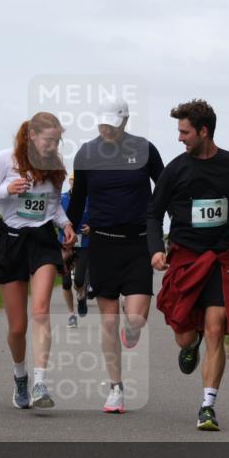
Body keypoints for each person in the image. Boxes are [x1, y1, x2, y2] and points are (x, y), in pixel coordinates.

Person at [147, 99, 229, 431]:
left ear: (203, 131)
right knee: (186, 336)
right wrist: (156, 250)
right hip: (185, 257)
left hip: (221, 258)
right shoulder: (176, 170)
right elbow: (153, 213)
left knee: (217, 327)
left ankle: (207, 406)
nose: (180, 138)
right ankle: (192, 343)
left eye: (184, 132)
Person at [67, 98, 163, 413]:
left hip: (138, 245)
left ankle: (131, 329)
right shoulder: (86, 154)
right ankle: (116, 389)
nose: (107, 127)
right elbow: (78, 199)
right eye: (103, 122)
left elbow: (163, 190)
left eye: (113, 122)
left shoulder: (144, 149)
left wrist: (164, 233)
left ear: (125, 121)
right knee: (109, 322)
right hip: (103, 244)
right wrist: (68, 233)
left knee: (135, 318)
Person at [0, 112, 75, 410]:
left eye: (57, 141)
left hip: (43, 242)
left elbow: (54, 206)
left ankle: (40, 382)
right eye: (48, 140)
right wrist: (6, 190)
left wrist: (66, 223)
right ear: (32, 136)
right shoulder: (6, 159)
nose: (52, 146)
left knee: (42, 310)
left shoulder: (56, 166)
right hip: (11, 242)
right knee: (17, 327)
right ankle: (20, 375)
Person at [59, 174, 90, 328]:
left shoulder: (90, 198)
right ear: (70, 182)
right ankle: (71, 315)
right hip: (65, 243)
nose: (75, 184)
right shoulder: (62, 198)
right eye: (73, 181)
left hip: (83, 242)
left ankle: (81, 295)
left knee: (78, 280)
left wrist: (91, 227)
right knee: (65, 283)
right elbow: (52, 215)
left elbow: (98, 216)